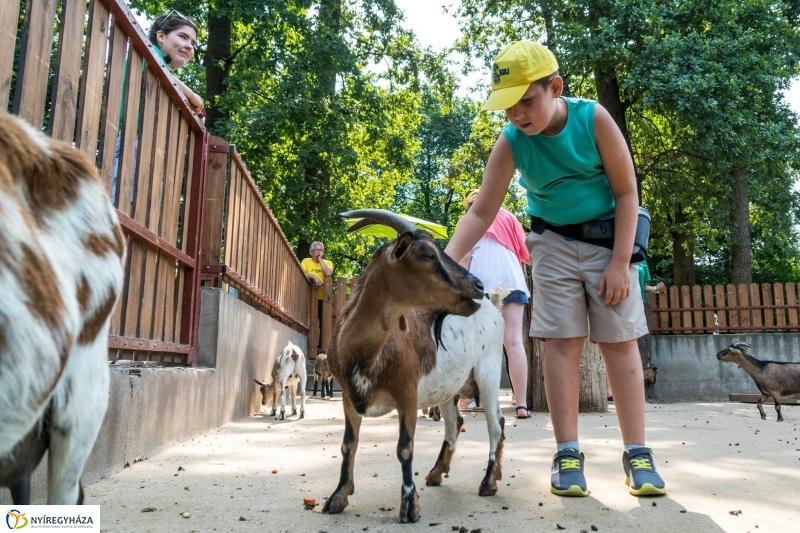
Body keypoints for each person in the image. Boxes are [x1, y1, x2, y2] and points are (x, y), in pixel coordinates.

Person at [443, 41, 666, 497]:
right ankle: (567, 452)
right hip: (552, 243)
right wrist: (445, 263)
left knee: (619, 342)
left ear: (555, 87)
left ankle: (637, 453)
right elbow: (481, 212)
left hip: (609, 242)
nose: (519, 114)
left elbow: (627, 194)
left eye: (528, 100)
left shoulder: (593, 119)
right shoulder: (511, 142)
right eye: (508, 106)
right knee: (561, 343)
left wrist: (621, 263)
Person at [459, 190, 532, 419]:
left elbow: (464, 256)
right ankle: (521, 405)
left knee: (477, 345)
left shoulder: (471, 218)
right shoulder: (509, 217)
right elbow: (527, 255)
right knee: (513, 342)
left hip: (484, 285)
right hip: (512, 282)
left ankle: (469, 399)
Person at [147, 11, 205, 115]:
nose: (190, 46)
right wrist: (191, 95)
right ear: (161, 36)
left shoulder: (166, 77)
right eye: (183, 37)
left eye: (193, 43)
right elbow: (156, 68)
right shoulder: (147, 53)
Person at [301, 242, 334, 347]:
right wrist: (314, 277)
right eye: (317, 250)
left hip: (324, 299)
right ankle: (307, 346)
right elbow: (302, 272)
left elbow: (327, 273)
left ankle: (321, 348)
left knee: (324, 324)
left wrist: (320, 260)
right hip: (309, 297)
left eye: (321, 250)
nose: (319, 252)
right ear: (311, 252)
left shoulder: (328, 262)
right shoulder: (306, 261)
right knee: (309, 322)